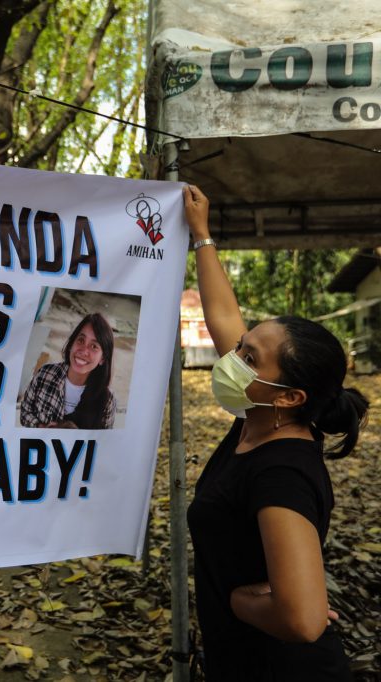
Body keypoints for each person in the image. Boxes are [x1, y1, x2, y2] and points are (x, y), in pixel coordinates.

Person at [184, 184, 368, 681]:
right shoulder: (256, 416)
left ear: (289, 396)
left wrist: (241, 603)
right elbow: (224, 316)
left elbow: (304, 620)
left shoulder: (280, 475)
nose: (233, 358)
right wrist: (202, 235)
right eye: (242, 348)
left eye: (248, 358)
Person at [19, 312, 117, 429]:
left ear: (102, 358)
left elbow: (102, 443)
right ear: (71, 344)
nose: (83, 351)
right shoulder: (45, 374)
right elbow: (25, 412)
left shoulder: (107, 401)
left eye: (94, 346)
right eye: (80, 340)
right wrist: (41, 427)